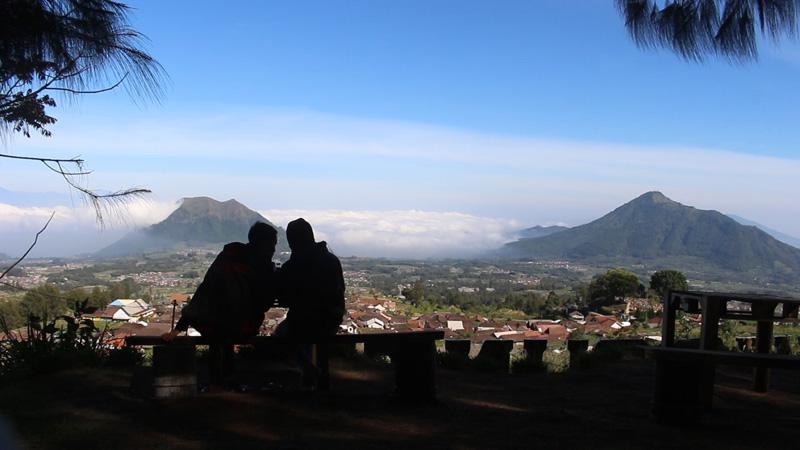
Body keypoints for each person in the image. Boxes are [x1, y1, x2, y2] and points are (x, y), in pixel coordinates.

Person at [162, 221, 277, 384]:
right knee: (227, 331)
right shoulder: (261, 269)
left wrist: (180, 327)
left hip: (214, 325)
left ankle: (218, 382)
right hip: (242, 326)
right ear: (263, 244)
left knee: (220, 334)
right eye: (272, 245)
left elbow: (205, 289)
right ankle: (226, 381)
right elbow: (264, 304)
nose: (273, 250)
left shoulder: (228, 257)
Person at [274, 218, 345, 387]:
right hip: (332, 319)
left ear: (292, 241)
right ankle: (312, 376)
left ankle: (308, 371)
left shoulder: (294, 265)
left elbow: (284, 298)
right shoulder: (331, 260)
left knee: (282, 335)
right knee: (301, 329)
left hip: (305, 322)